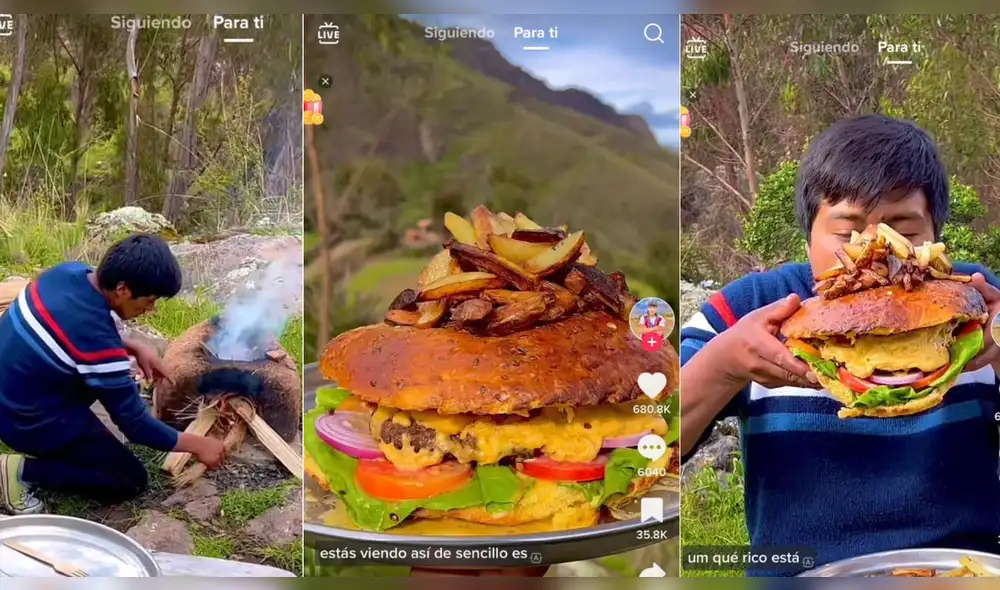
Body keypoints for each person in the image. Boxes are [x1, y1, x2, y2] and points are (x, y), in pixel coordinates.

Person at [680, 114, 1000, 576]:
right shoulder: (751, 308)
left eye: (904, 233)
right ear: (807, 232)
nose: (873, 254)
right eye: (846, 232)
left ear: (934, 233)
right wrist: (725, 364)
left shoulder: (973, 300)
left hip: (961, 570)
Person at [0, 234, 225, 514]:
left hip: (11, 389)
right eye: (150, 300)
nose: (151, 309)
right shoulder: (98, 342)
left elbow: (71, 329)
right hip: (24, 421)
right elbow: (136, 426)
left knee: (104, 380)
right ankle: (21, 472)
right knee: (128, 479)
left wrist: (132, 345)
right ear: (122, 289)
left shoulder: (67, 272)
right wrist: (197, 444)